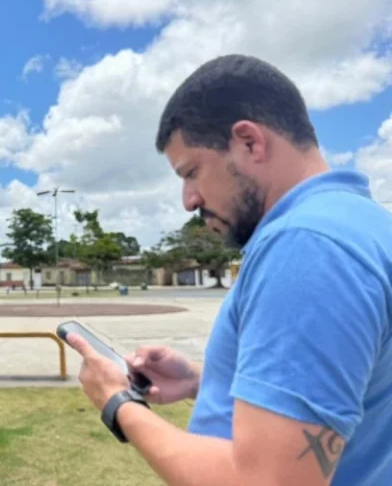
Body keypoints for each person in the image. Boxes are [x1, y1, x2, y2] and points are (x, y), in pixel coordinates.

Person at [67, 54, 392, 485]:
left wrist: (116, 402)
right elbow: (343, 395)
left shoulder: (306, 247)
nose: (189, 200)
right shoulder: (365, 225)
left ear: (249, 143)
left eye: (191, 172)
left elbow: (266, 481)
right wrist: (203, 381)